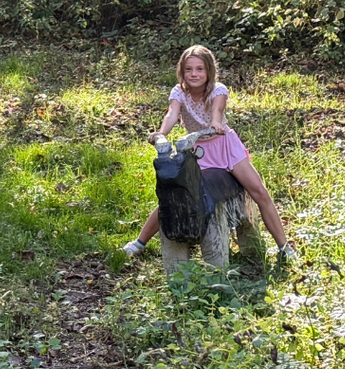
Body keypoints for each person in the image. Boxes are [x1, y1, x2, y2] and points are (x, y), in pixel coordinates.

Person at [123, 45, 297, 262]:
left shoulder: (218, 90)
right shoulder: (179, 92)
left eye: (199, 69)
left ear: (209, 71)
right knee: (177, 195)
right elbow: (172, 114)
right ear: (182, 71)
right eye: (188, 69)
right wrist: (161, 133)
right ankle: (139, 243)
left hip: (225, 146)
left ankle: (283, 247)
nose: (194, 74)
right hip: (199, 151)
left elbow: (217, 110)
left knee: (259, 191)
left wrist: (216, 123)